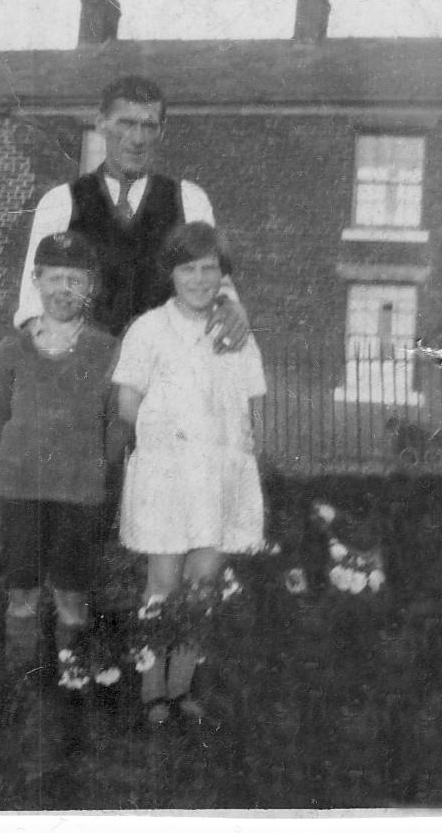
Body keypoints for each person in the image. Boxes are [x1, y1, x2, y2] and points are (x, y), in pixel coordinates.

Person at [111, 222, 269, 726]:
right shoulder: (149, 329)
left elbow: (250, 405)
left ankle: (182, 688)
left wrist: (240, 456)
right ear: (171, 274)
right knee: (163, 582)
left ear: (223, 275)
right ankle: (151, 689)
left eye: (209, 269)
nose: (199, 280)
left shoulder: (236, 332)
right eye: (188, 269)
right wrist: (172, 430)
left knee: (204, 584)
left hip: (218, 474)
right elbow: (128, 404)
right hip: (167, 473)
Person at [14, 74, 248, 350]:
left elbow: (215, 283)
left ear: (161, 131)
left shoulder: (190, 200)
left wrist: (231, 306)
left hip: (164, 368)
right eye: (125, 123)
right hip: (84, 366)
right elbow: (33, 302)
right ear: (101, 123)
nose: (137, 138)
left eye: (149, 126)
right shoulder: (61, 201)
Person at [0, 232, 117, 674]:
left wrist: (97, 465)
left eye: (75, 280)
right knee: (21, 590)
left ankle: (71, 677)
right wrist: (16, 459)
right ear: (37, 281)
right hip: (22, 488)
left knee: (71, 593)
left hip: (79, 493)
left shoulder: (106, 350)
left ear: (90, 287)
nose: (65, 289)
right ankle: (19, 679)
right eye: (55, 278)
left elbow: (118, 423)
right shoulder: (11, 349)